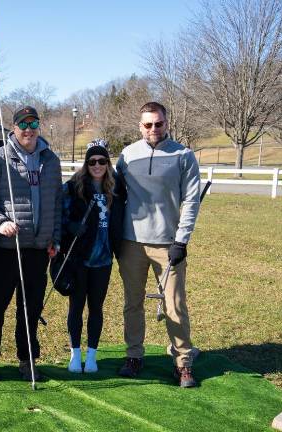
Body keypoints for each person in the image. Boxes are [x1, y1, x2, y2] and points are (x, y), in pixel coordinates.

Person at [115, 102, 201, 387]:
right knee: (133, 304)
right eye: (148, 124)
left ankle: (183, 362)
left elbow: (191, 201)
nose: (153, 129)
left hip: (168, 245)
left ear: (167, 123)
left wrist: (181, 239)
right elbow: (114, 195)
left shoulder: (183, 156)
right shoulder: (127, 155)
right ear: (140, 126)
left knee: (174, 305)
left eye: (158, 124)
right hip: (131, 244)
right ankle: (134, 356)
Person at [0, 106, 62, 382]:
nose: (28, 129)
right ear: (13, 128)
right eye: (22, 124)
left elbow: (57, 204)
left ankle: (27, 360)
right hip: (5, 248)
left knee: (31, 308)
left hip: (38, 250)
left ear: (39, 126)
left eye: (33, 123)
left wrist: (55, 238)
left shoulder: (51, 161)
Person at [61, 139, 125, 373]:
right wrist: (71, 227)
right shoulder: (73, 187)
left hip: (104, 260)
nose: (97, 165)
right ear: (86, 164)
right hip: (79, 258)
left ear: (108, 164)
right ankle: (75, 355)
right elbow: (60, 216)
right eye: (92, 162)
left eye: (102, 161)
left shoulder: (116, 189)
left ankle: (92, 356)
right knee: (76, 306)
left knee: (96, 307)